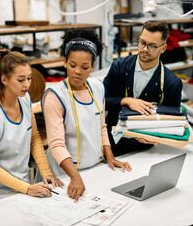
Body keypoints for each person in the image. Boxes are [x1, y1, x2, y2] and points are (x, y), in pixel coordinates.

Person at [41, 28, 132, 202]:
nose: (77, 71)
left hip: (94, 169)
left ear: (92, 67)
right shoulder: (55, 96)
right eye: (73, 65)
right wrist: (74, 177)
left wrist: (110, 157)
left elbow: (102, 126)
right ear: (65, 63)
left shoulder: (97, 87)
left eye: (84, 67)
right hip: (65, 174)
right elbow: (56, 145)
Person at [0, 49, 63, 203]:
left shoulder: (25, 99)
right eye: (21, 80)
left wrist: (46, 172)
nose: (27, 84)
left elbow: (34, 138)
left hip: (21, 183)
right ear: (4, 79)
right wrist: (27, 188)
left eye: (29, 78)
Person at [103, 20, 183, 156]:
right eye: (142, 42)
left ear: (163, 48)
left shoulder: (172, 83)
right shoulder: (119, 66)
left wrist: (158, 138)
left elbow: (173, 120)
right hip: (111, 142)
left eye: (152, 46)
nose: (145, 49)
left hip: (145, 146)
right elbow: (102, 101)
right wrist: (126, 101)